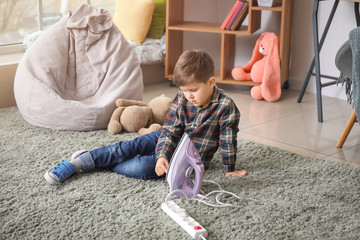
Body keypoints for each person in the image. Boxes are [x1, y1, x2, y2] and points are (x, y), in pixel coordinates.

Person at [44, 49, 247, 186]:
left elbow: (228, 140)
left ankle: (103, 162)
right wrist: (161, 154)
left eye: (193, 90)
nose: (188, 96)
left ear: (211, 82)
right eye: (184, 90)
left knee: (143, 167)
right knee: (127, 147)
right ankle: (79, 162)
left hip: (187, 156)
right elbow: (170, 131)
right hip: (166, 138)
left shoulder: (226, 107)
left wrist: (230, 168)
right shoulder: (182, 99)